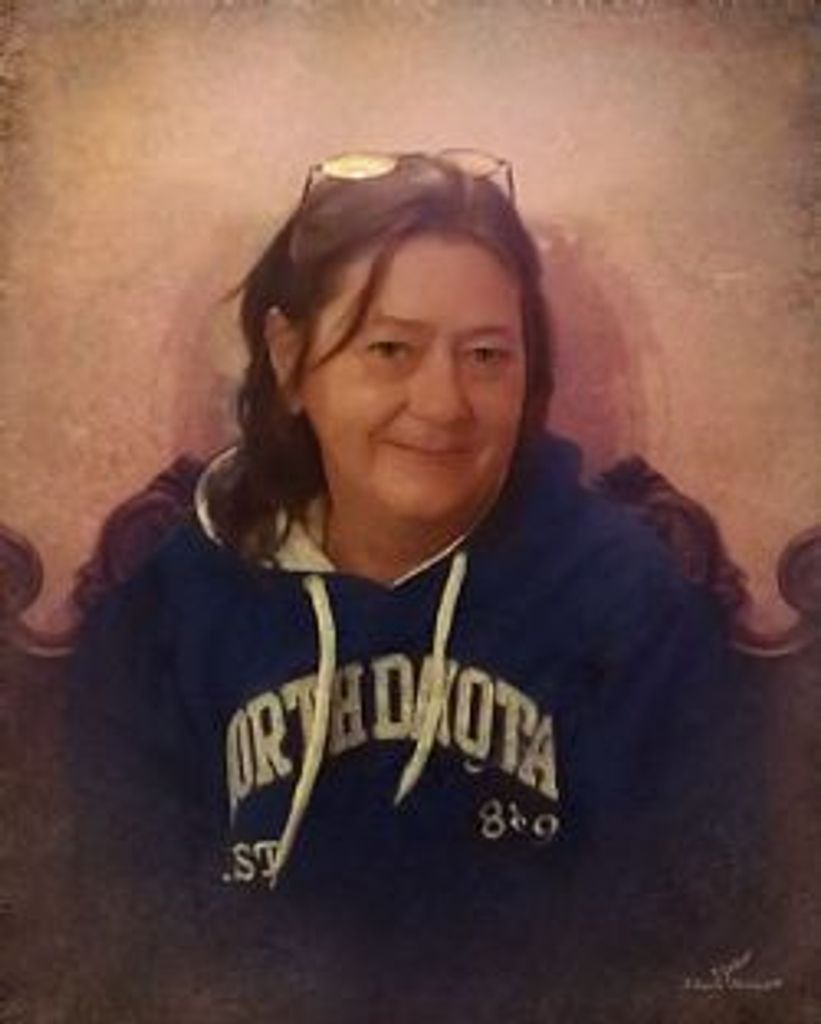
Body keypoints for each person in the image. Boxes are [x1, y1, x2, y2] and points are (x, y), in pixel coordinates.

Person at [67, 151, 771, 1023]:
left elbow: (689, 938)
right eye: (390, 349)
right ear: (290, 359)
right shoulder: (165, 616)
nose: (443, 403)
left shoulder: (631, 604)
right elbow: (119, 941)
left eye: (485, 355)